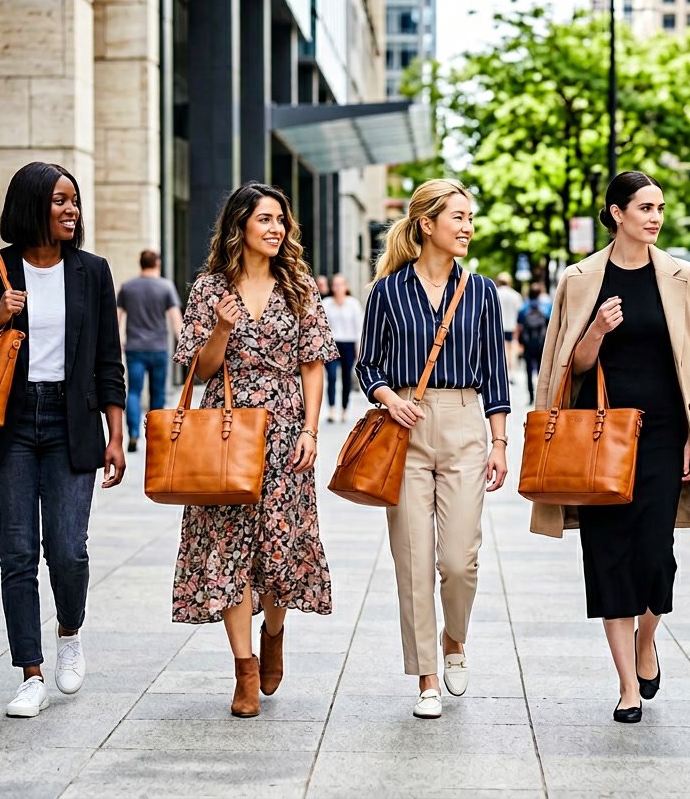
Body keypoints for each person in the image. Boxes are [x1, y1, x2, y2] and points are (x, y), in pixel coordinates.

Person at [529, 171, 690, 725]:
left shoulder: (682, 276)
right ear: (616, 213)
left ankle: (648, 640)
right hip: (601, 440)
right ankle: (626, 685)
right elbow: (566, 367)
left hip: (666, 435)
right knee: (608, 555)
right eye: (644, 207)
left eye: (659, 207)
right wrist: (595, 328)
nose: (654, 216)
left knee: (656, 555)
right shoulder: (581, 279)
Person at [0, 161, 127, 718]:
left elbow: (106, 359)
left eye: (76, 201)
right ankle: (30, 672)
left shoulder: (92, 271)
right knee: (17, 553)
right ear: (31, 205)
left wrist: (116, 435)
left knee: (67, 550)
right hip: (10, 426)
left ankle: (69, 633)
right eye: (61, 200)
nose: (72, 210)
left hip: (72, 420)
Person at [172, 182, 337, 719]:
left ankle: (274, 630)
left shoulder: (300, 288)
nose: (276, 229)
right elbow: (200, 369)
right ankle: (244, 669)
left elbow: (313, 365)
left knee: (279, 549)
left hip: (286, 428)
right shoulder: (209, 288)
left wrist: (311, 431)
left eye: (281, 221)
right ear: (240, 224)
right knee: (230, 552)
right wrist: (219, 328)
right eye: (265, 219)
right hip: (227, 429)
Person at [355, 178, 510, 720]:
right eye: (459, 218)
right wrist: (385, 397)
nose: (468, 228)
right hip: (407, 429)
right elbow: (366, 363)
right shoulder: (387, 292)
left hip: (468, 423)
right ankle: (425, 677)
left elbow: (496, 370)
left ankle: (455, 641)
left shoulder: (483, 291)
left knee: (459, 561)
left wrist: (500, 442)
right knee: (414, 561)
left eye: (470, 218)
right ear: (427, 224)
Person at [117, 250, 184, 453]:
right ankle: (156, 438)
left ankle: (134, 434)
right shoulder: (166, 286)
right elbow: (176, 321)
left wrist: (116, 342)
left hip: (135, 348)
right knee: (158, 394)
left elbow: (116, 318)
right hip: (158, 349)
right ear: (157, 263)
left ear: (141, 264)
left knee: (135, 392)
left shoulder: (128, 287)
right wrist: (185, 346)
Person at [322, 273, 363, 423]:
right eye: (335, 285)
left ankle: (344, 410)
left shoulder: (353, 304)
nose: (338, 288)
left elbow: (359, 329)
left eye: (341, 284)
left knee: (346, 378)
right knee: (331, 377)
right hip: (332, 344)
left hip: (348, 344)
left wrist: (359, 350)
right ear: (332, 287)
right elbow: (323, 328)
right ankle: (332, 410)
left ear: (346, 286)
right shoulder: (326, 303)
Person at [516, 285, 549, 404]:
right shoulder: (546, 307)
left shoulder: (523, 308)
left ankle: (530, 396)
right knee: (542, 371)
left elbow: (519, 327)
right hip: (541, 344)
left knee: (528, 370)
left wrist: (519, 342)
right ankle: (542, 397)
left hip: (528, 344)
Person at [494, 272, 524, 373]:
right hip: (513, 326)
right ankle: (511, 371)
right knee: (513, 348)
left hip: (498, 326)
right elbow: (520, 312)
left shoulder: (495, 293)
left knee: (502, 349)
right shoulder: (516, 295)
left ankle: (504, 370)